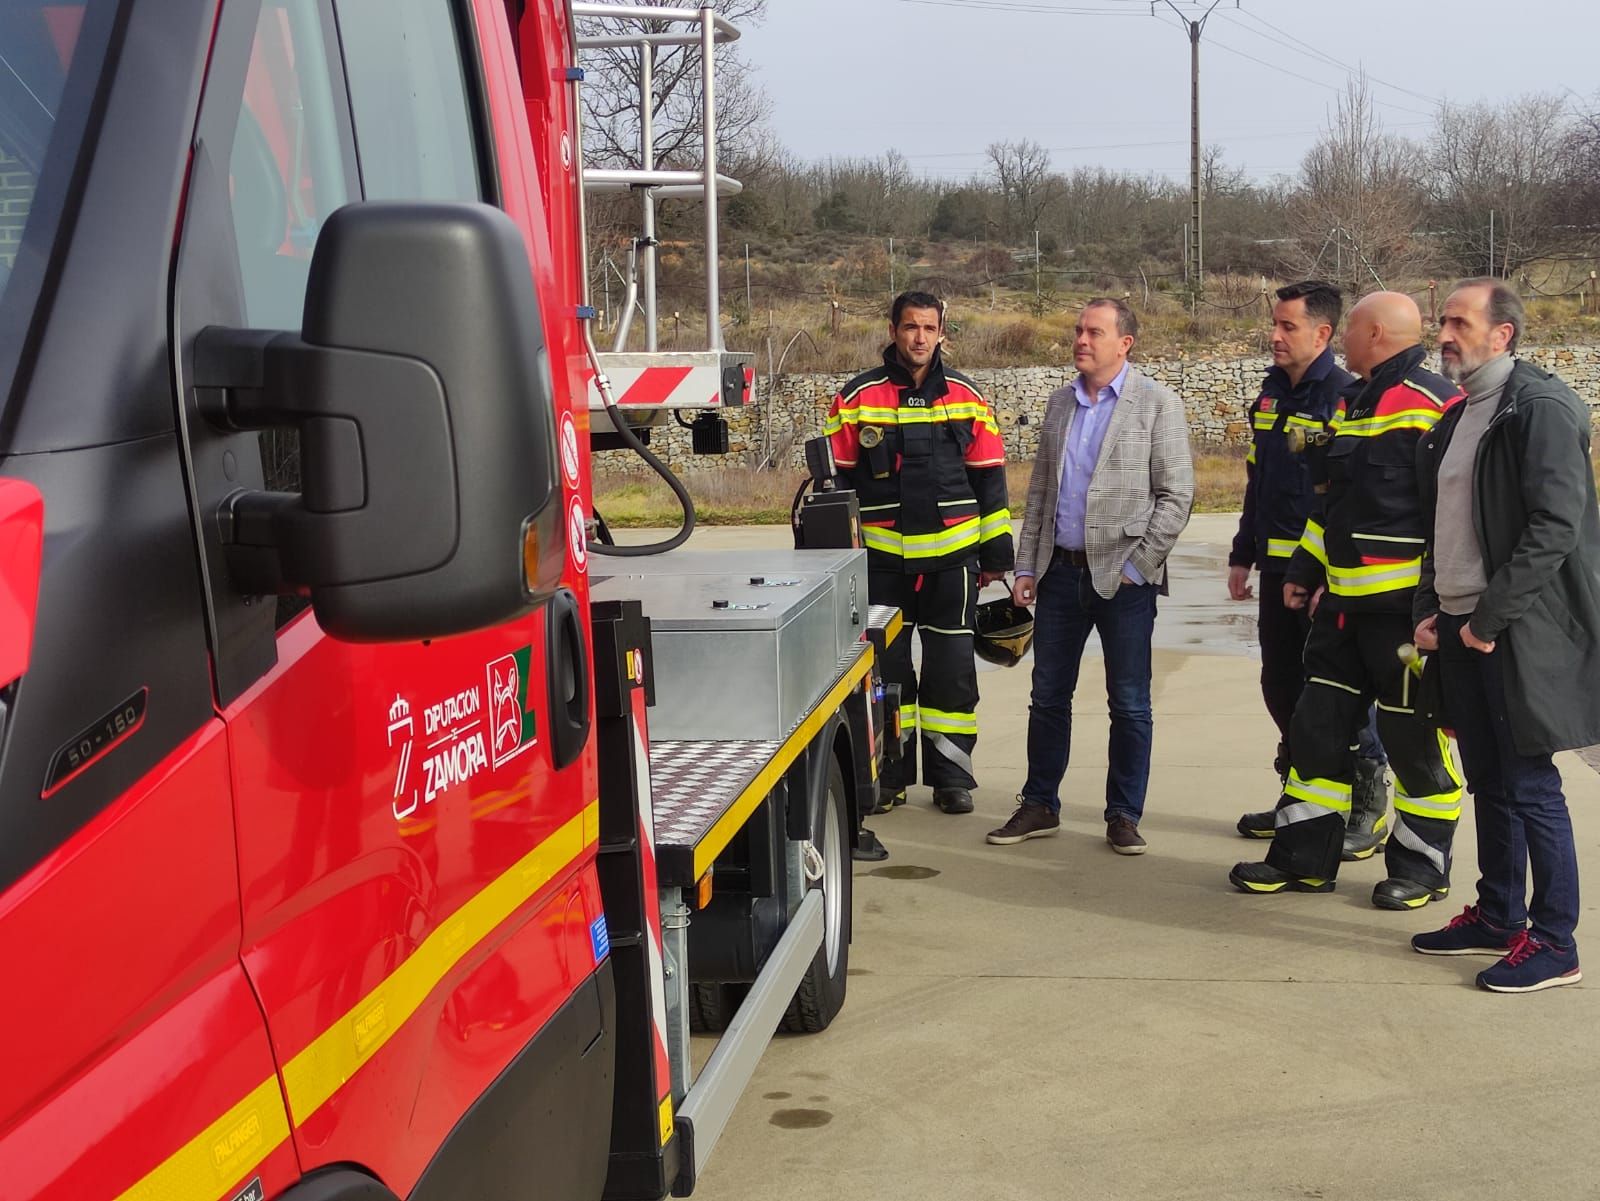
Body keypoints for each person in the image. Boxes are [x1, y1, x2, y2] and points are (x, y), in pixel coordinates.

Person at [1229, 292, 1465, 906]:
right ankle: (1303, 860)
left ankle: (1418, 871)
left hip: (1404, 619)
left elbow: (1459, 518)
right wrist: (1306, 568)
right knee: (1317, 732)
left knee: (1416, 748)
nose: (1344, 342)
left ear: (1377, 333)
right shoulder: (1355, 404)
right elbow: (1328, 504)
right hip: (1340, 612)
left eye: (1352, 330)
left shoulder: (1438, 406)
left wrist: (1440, 605)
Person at [1410, 279, 1600, 992]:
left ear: (1503, 334)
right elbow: (1445, 526)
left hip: (1515, 628)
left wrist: (1488, 620)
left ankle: (1556, 941)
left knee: (1528, 782)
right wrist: (1435, 607)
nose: (1445, 331)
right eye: (1444, 319)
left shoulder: (1539, 408)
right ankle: (1499, 913)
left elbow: (1557, 526)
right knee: (1487, 779)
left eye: (1460, 321)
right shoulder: (1460, 414)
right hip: (1461, 625)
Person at [987, 298, 1193, 854]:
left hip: (1124, 582)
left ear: (1125, 342)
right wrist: (1027, 564)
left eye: (1094, 332)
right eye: (1078, 330)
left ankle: (1124, 814)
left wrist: (1137, 566)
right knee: (1048, 694)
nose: (1081, 339)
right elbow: (1040, 495)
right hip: (1059, 577)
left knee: (1128, 702)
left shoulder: (1156, 404)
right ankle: (1039, 804)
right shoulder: (1060, 404)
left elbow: (1177, 497)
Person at [824, 291, 1013, 815]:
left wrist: (996, 553)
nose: (920, 338)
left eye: (930, 329)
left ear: (942, 333)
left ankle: (952, 778)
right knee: (887, 676)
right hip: (883, 565)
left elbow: (991, 481)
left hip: (954, 566)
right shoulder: (857, 396)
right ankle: (890, 777)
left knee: (952, 674)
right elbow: (833, 483)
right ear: (893, 330)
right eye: (911, 328)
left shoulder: (967, 396)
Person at [1228, 281, 1391, 860]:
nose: (1275, 335)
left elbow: (1346, 498)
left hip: (1324, 574)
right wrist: (1242, 552)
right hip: (1276, 571)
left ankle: (1368, 799)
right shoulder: (1270, 396)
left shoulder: (1345, 397)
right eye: (1274, 324)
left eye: (1287, 326)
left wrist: (1326, 575)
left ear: (1323, 334)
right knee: (1282, 687)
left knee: (1338, 695)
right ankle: (1300, 802)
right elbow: (1257, 482)